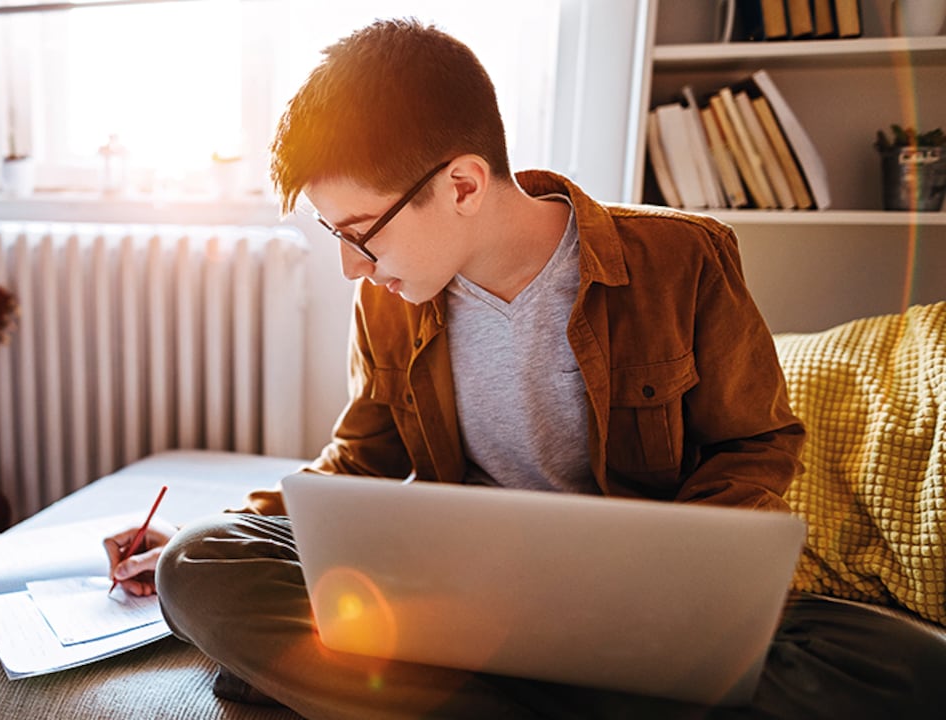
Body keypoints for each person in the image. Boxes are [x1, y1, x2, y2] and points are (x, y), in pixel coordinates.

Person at [103, 18, 946, 719]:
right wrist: (228, 523)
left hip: (637, 607)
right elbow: (360, 463)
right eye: (336, 237)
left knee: (904, 666)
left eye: (361, 232)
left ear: (464, 185)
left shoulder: (682, 258)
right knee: (202, 565)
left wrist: (677, 579)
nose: (352, 268)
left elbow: (756, 443)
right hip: (457, 605)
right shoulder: (390, 300)